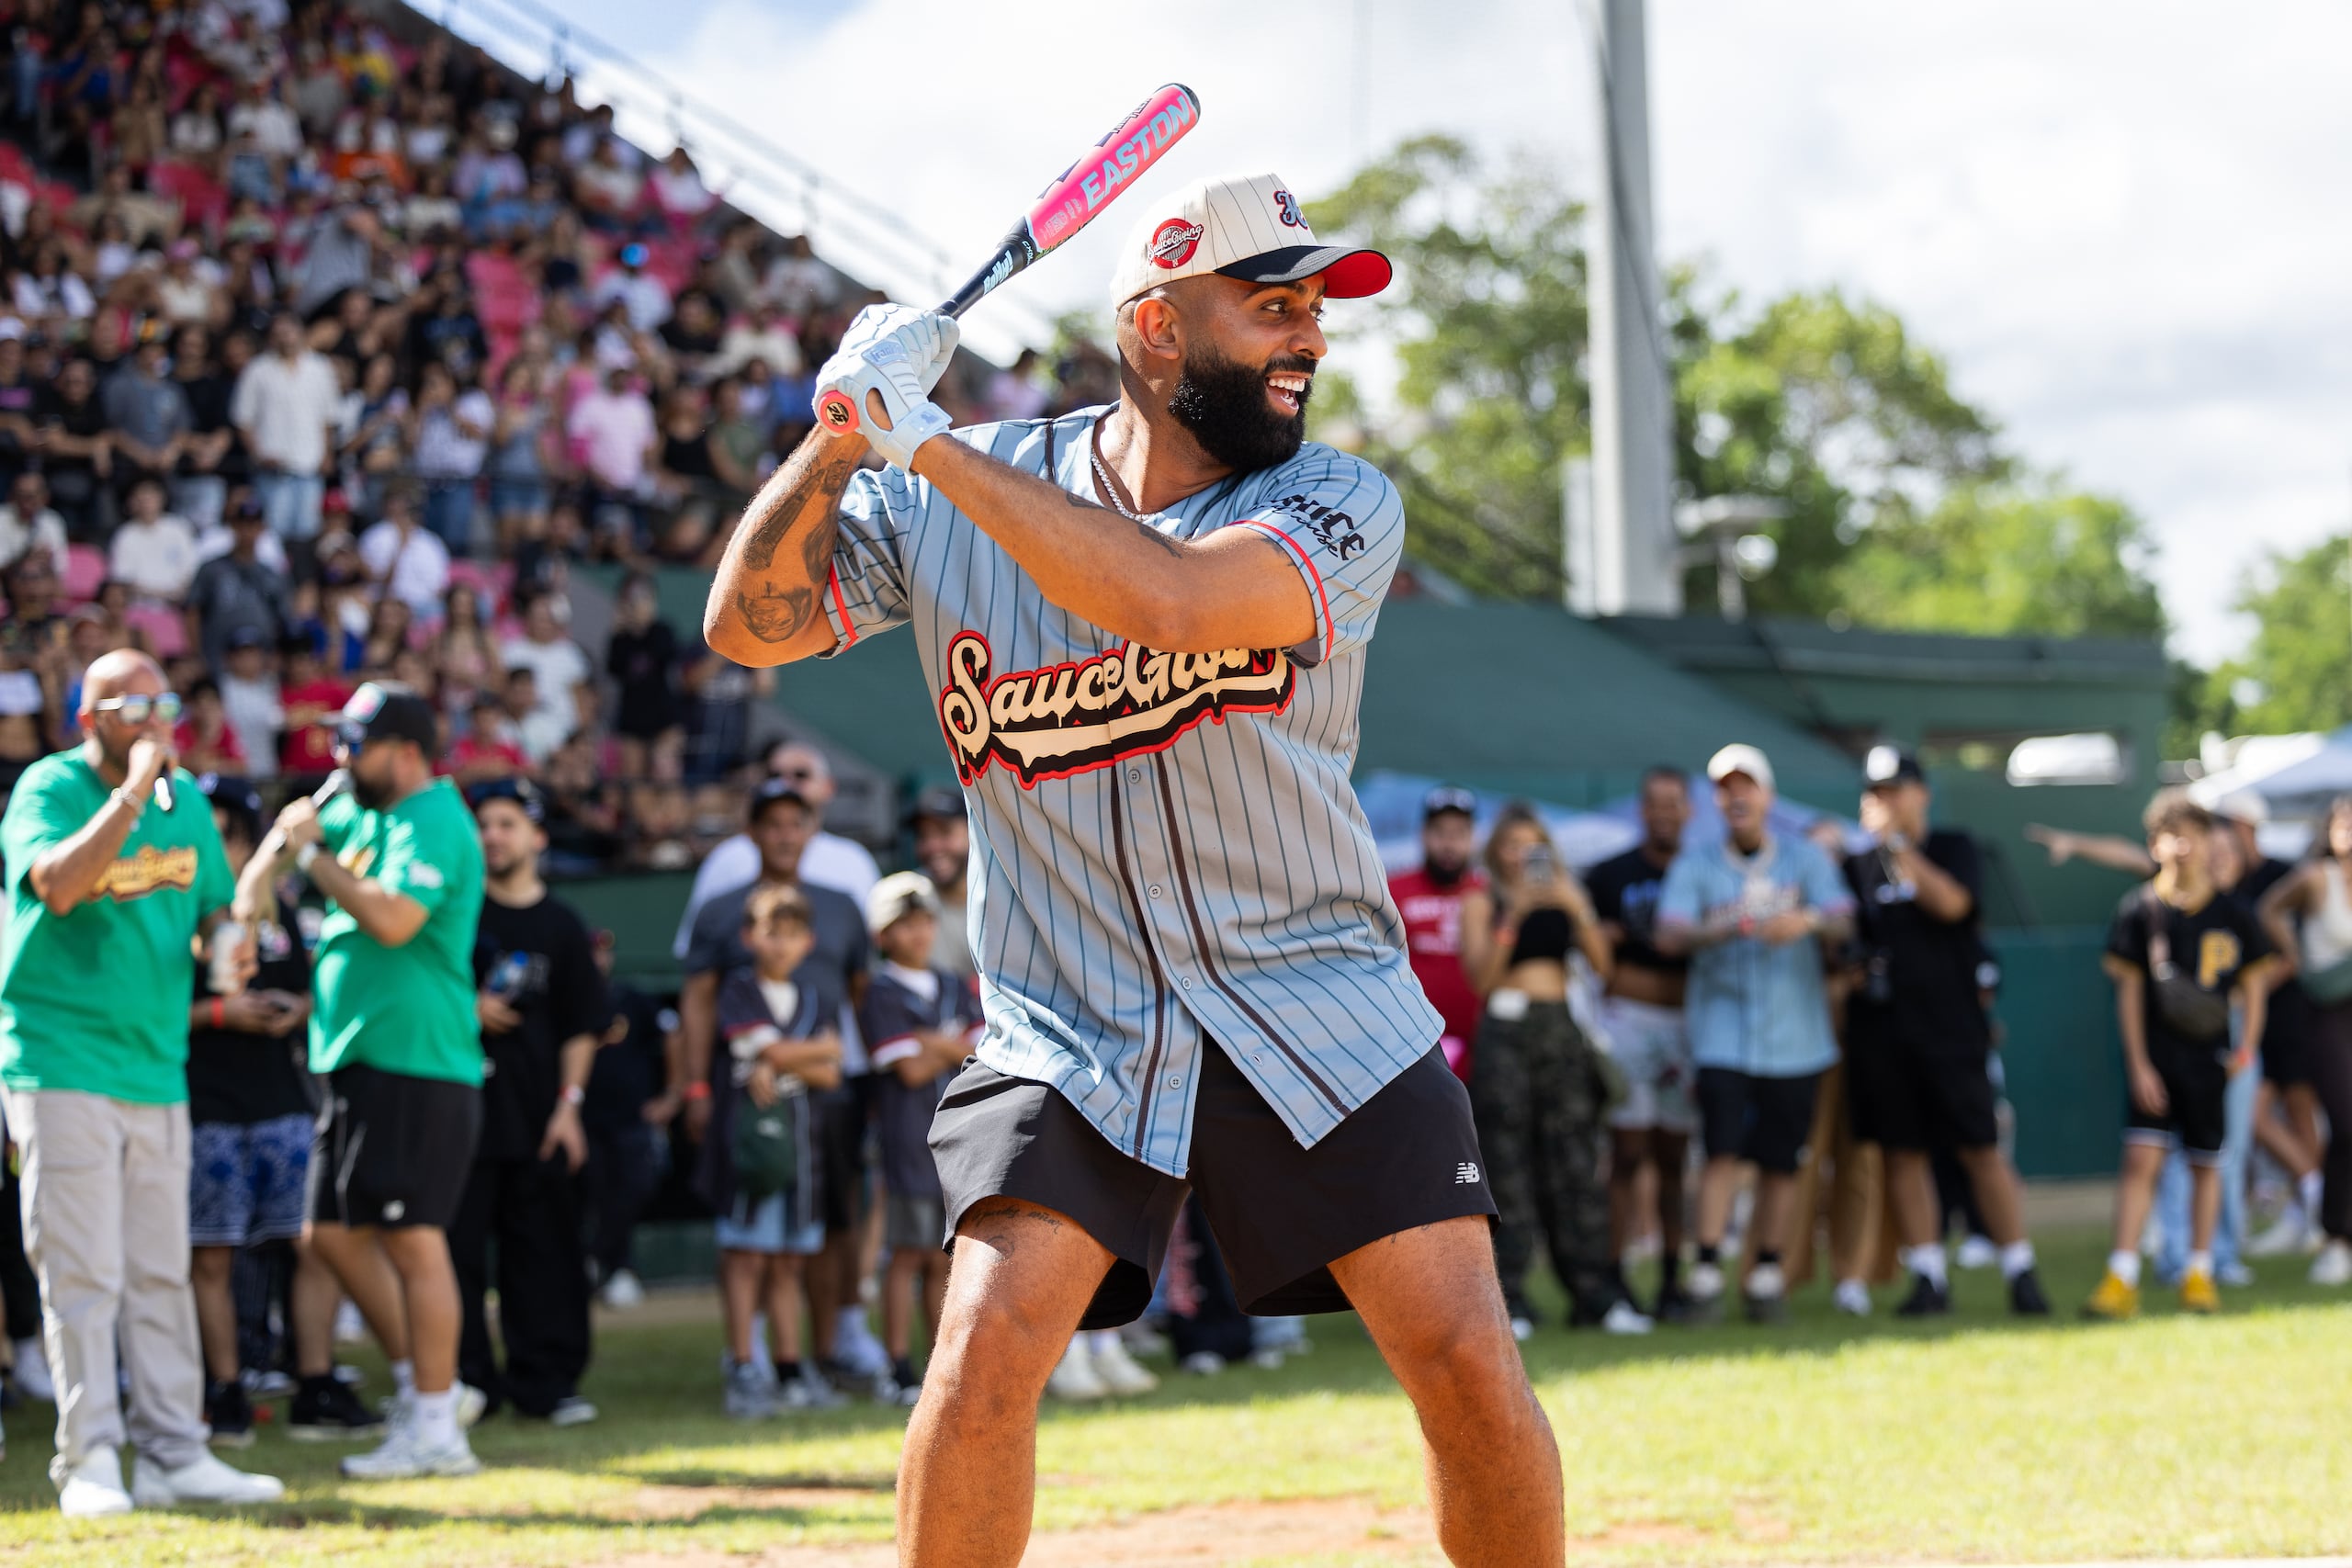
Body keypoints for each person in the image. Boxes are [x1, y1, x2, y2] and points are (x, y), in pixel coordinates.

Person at [703, 172, 1556, 1567]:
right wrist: (840, 437)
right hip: (1074, 1016)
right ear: (1156, 329)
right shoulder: (956, 484)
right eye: (1271, 307)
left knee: (1466, 1357)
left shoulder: (1337, 498)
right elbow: (752, 624)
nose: (1309, 341)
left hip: (1315, 992)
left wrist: (924, 446)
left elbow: (1168, 598)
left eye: (1315, 312)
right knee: (977, 1360)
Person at [0, 650, 283, 1514]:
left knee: (160, 1267)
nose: (156, 716)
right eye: (134, 703)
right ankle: (89, 1461)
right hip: (62, 1058)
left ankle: (174, 1450)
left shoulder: (188, 801)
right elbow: (56, 885)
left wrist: (230, 944)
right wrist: (131, 793)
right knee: (84, 1273)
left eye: (164, 700)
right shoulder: (47, 790)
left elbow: (215, 914)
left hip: (157, 1063)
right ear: (89, 718)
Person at [236, 683, 488, 1477]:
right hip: (357, 1056)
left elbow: (392, 919)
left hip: (417, 1057)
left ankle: (439, 1422)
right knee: (332, 1235)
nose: (339, 758)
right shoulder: (364, 807)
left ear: (405, 751)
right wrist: (264, 879)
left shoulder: (437, 819)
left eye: (355, 744)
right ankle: (429, 1388)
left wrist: (309, 852)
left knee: (415, 1239)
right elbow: (273, 853)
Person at [185, 774, 379, 1445]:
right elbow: (139, 1011)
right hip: (204, 1106)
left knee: (316, 1244)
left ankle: (315, 1381)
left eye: (229, 834)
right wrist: (219, 1012)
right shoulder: (169, 909)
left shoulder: (277, 912)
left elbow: (306, 989)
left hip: (282, 1104)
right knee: (210, 1256)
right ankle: (226, 1389)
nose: (219, 847)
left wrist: (293, 1010)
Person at [677, 778, 878, 1392]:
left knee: (819, 1228)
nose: (784, 834)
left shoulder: (843, 903)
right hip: (748, 1099)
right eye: (772, 822)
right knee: (747, 1236)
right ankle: (749, 1355)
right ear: (752, 830)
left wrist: (819, 1059)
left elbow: (858, 998)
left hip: (825, 1102)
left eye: (796, 821)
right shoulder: (721, 908)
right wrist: (695, 1087)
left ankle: (820, 1352)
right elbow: (698, 1002)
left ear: (812, 828)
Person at [1840, 748, 2048, 1316]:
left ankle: (2020, 1270)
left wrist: (1900, 846)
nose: (1887, 801)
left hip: (1952, 1030)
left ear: (1921, 792)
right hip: (1884, 1032)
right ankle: (1929, 1275)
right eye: (1877, 792)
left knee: (1980, 1148)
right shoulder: (1855, 866)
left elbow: (1953, 905)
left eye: (1896, 789)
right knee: (1904, 1153)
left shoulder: (1953, 847)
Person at [1655, 744, 1856, 1325]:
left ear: (1767, 796)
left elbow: (1844, 918)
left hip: (1797, 1038)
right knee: (1720, 1152)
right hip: (1722, 1035)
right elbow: (1669, 937)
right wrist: (1727, 926)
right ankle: (1708, 1271)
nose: (1736, 796)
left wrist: (1808, 921)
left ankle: (1767, 1272)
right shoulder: (1697, 865)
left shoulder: (1804, 858)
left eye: (1746, 786)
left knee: (1780, 1161)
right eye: (1725, 787)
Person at [2086, 792, 2278, 1317]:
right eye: (2172, 835)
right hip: (2159, 1058)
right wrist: (2139, 1063)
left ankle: (2200, 1270)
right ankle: (2121, 1276)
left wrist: (2247, 1047)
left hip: (2210, 1059)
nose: (2183, 846)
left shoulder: (2233, 914)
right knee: (2141, 1160)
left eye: (2191, 834)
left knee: (2206, 1164)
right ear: (2155, 844)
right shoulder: (2140, 910)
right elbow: (2127, 994)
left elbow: (2256, 984)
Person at [1458, 804, 1645, 1336]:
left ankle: (1596, 1298)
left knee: (1576, 1167)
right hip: (1506, 1034)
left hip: (1561, 1030)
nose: (1523, 856)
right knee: (1508, 1168)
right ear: (1497, 852)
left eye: (1533, 844)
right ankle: (1511, 1300)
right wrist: (1514, 915)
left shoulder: (1567, 892)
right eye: (1513, 845)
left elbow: (1604, 968)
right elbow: (1480, 979)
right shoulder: (1483, 899)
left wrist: (1575, 909)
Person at [453, 780, 606, 1424]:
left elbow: (583, 1025)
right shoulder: (453, 912)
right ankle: (465, 1385)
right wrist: (467, 1005)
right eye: (483, 823)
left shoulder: (563, 924)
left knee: (544, 1255)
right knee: (456, 1256)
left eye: (507, 823)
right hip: (460, 1115)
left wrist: (569, 1105)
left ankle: (547, 1383)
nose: (493, 835)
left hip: (539, 1118)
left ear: (538, 836)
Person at [707, 883, 844, 1417]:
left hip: (802, 1147)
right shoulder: (738, 989)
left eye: (792, 935)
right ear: (750, 937)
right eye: (770, 933)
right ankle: (743, 1366)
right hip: (753, 1147)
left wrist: (784, 1060)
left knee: (788, 1260)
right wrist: (813, 1051)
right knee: (747, 1258)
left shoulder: (813, 997)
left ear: (808, 942)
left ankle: (790, 1368)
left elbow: (831, 1075)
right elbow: (773, 1047)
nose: (781, 946)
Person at [857, 872, 985, 1405]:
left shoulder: (953, 983)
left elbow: (977, 1053)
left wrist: (928, 1043)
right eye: (904, 924)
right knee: (906, 1255)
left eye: (925, 921)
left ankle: (939, 1368)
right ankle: (897, 1366)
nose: (918, 933)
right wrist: (944, 1043)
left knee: (941, 1258)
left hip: (956, 1142)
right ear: (883, 934)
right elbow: (907, 1071)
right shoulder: (880, 992)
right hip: (909, 1143)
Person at [1586, 766, 1699, 1320]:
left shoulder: (1705, 871)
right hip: (1627, 1022)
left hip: (1689, 1026)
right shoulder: (1610, 875)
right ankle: (1614, 1274)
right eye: (1654, 803)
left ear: (1689, 810)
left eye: (1674, 803)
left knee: (1675, 1157)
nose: (1664, 812)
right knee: (1625, 1153)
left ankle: (1675, 1278)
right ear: (1641, 809)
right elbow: (1590, 951)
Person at [2256, 795, 2352, 1288]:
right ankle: (2336, 1237)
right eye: (2344, 823)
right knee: (2345, 1121)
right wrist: (2291, 951)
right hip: (2324, 1012)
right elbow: (2267, 907)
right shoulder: (2316, 879)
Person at [673, 739, 882, 954]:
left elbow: (867, 953)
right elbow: (695, 951)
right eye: (774, 775)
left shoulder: (854, 860)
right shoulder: (727, 857)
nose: (786, 782)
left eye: (801, 775)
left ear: (828, 787)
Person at [1387, 785, 1487, 1079]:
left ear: (1473, 838)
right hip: (1410, 1044)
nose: (1449, 844)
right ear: (1423, 834)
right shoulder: (1392, 890)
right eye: (1440, 832)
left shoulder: (1488, 894)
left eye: (1459, 834)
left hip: (1480, 1045)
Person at [230, 314, 341, 545]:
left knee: (307, 533)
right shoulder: (257, 369)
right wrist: (258, 454)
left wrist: (328, 453)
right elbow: (243, 419)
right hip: (272, 468)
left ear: (300, 333)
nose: (286, 339)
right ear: (271, 338)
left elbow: (329, 418)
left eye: (289, 332)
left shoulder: (320, 368)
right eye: (279, 334)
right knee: (272, 534)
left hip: (310, 466)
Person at [907, 785, 976, 979]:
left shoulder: (1002, 895)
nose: (933, 846)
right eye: (923, 836)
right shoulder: (910, 897)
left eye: (944, 832)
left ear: (972, 831)